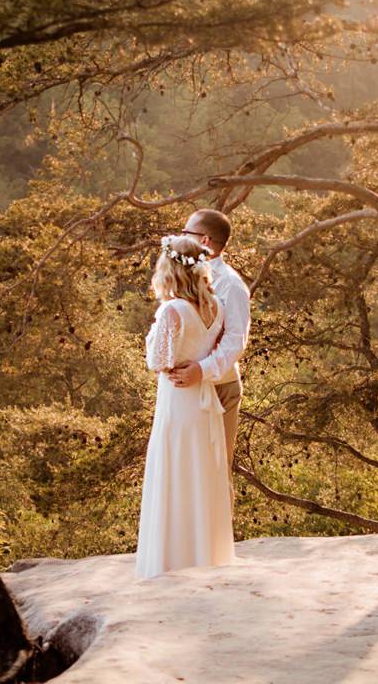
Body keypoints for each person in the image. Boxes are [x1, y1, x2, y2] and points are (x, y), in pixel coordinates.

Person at [134, 234, 235, 580]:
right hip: (203, 401)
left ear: (169, 269)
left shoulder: (173, 309)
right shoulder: (215, 306)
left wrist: (153, 332)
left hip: (178, 402)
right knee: (200, 474)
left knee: (175, 472)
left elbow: (157, 360)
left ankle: (170, 564)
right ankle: (204, 555)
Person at [167, 210, 250, 492]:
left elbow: (235, 340)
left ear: (204, 240)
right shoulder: (187, 277)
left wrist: (200, 370)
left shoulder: (230, 284)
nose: (180, 238)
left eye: (185, 233)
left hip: (218, 386)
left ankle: (217, 538)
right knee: (186, 472)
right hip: (187, 387)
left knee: (214, 472)